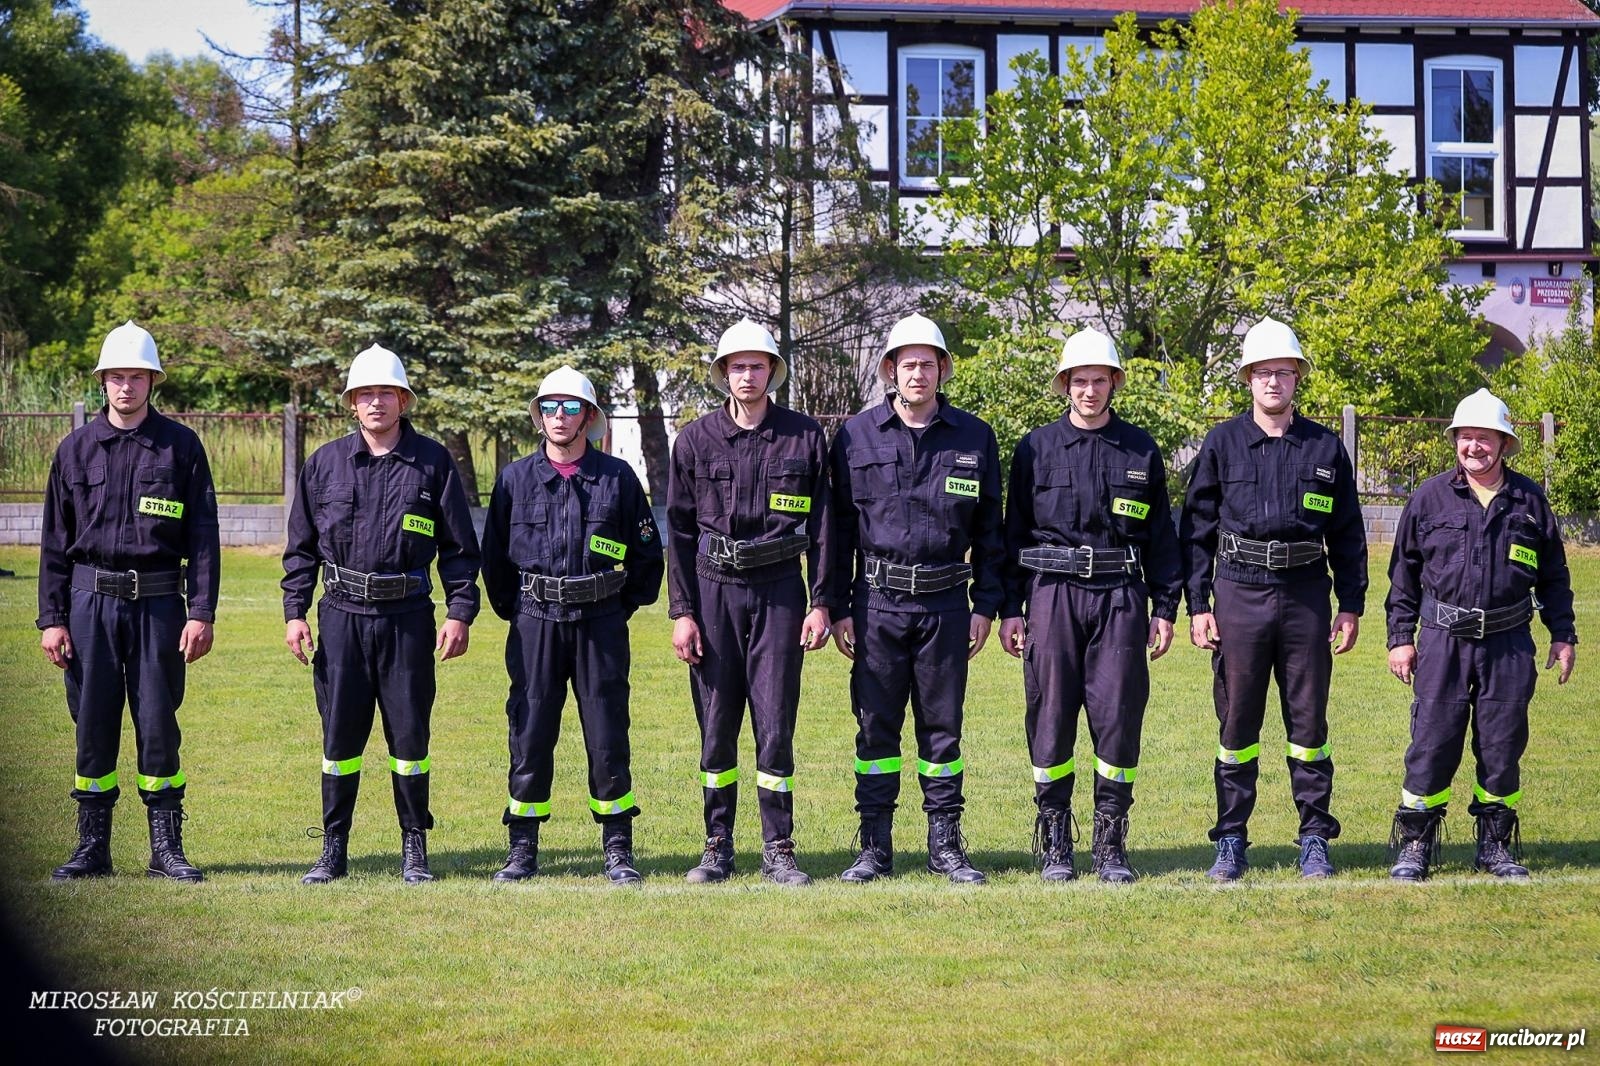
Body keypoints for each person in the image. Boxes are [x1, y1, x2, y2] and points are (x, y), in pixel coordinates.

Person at [282, 344, 480, 885]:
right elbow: (300, 548)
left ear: (403, 400)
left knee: (409, 739)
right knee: (339, 741)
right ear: (351, 403)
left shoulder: (434, 463)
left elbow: (460, 550)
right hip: (341, 617)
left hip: (408, 617)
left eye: (385, 393)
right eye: (365, 394)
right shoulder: (323, 465)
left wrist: (460, 611)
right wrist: (294, 610)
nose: (375, 402)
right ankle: (333, 848)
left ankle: (414, 848)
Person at [1179, 316, 1367, 881]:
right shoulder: (1222, 443)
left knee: (1307, 725)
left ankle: (1314, 836)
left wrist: (1352, 604)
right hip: (1238, 593)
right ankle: (1231, 838)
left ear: (1297, 379)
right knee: (1237, 723)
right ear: (1248, 378)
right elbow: (1195, 530)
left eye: (1283, 373)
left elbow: (1349, 533)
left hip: (1306, 595)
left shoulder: (1324, 447)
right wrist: (1198, 604)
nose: (1273, 382)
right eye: (1262, 372)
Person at [38, 321, 220, 883]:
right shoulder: (75, 450)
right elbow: (52, 541)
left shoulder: (181, 448)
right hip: (90, 601)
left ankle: (166, 849)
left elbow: (204, 538)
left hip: (160, 602)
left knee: (158, 721)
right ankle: (93, 847)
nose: (125, 387)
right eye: (116, 376)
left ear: (151, 381)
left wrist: (202, 611)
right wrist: (52, 620)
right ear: (103, 382)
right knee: (92, 722)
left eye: (135, 377)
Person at [999, 328, 1181, 883]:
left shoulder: (1140, 449)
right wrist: (1010, 608)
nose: (1089, 390)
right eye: (1079, 381)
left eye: (1099, 380)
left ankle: (1109, 841)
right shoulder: (1035, 449)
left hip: (1120, 598)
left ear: (1114, 384)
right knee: (1050, 716)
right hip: (1051, 598)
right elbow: (1012, 534)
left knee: (1118, 716)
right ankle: (1054, 838)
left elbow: (1162, 537)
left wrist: (1165, 608)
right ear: (1065, 385)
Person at [829, 313, 1003, 884]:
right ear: (890, 370)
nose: (919, 373)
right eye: (909, 364)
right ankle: (874, 847)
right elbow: (837, 531)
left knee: (942, 728)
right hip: (876, 605)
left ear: (943, 369)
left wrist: (986, 606)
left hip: (947, 605)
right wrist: (833, 607)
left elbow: (990, 533)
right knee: (876, 726)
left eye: (929, 363)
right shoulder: (855, 436)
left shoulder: (975, 437)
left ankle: (945, 845)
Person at [666, 320, 833, 886]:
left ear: (772, 373)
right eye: (736, 366)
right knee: (716, 722)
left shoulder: (804, 437)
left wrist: (822, 602)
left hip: (781, 591)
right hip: (714, 593)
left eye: (756, 365)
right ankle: (717, 845)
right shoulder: (694, 440)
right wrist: (682, 611)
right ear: (723, 374)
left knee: (775, 721)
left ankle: (778, 847)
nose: (747, 375)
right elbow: (681, 532)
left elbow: (826, 527)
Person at [1385, 388, 1576, 881]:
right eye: (1466, 437)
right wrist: (1400, 637)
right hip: (1442, 641)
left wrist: (1563, 634)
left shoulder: (1529, 500)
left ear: (1504, 443)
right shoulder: (1428, 498)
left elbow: (1554, 575)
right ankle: (1415, 844)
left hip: (1509, 642)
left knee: (1502, 744)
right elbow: (1403, 575)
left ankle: (1494, 845)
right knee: (1432, 742)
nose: (1474, 447)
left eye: (1485, 438)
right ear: (1455, 441)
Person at [481, 366, 663, 885]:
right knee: (531, 732)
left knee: (607, 734)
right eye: (550, 407)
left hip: (601, 622)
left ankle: (617, 847)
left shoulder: (618, 478)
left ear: (588, 415)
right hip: (534, 622)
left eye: (570, 406)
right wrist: (518, 612)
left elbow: (647, 558)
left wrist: (612, 604)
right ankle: (522, 847)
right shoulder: (514, 479)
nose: (559, 416)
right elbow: (494, 560)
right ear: (539, 416)